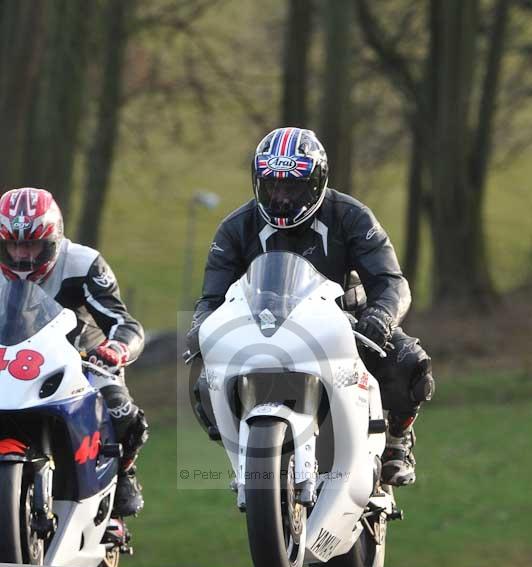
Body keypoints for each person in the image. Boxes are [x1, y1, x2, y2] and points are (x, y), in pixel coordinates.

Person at [185, 127, 434, 486]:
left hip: (347, 325)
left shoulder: (352, 216)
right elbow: (211, 299)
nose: (282, 197)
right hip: (262, 330)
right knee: (204, 381)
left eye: (293, 186)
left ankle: (397, 439)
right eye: (272, 185)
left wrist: (381, 315)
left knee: (410, 362)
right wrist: (201, 330)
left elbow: (392, 282)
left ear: (316, 182)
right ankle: (247, 453)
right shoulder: (235, 228)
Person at [0, 187, 148, 515]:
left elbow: (124, 323)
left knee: (122, 410)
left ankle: (123, 472)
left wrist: (116, 348)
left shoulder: (83, 263)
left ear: (52, 239)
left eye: (31, 243)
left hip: (81, 362)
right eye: (13, 244)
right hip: (10, 366)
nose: (22, 255)